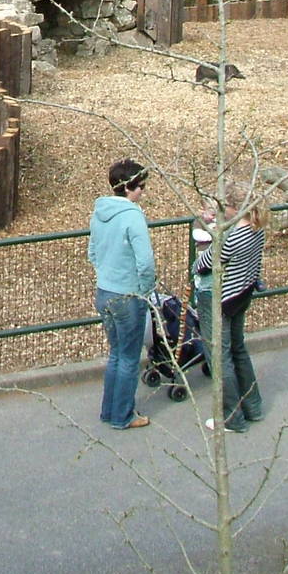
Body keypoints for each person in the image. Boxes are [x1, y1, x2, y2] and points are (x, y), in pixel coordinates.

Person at [87, 158, 157, 430]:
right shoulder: (133, 216)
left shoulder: (99, 212)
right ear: (129, 187)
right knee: (129, 357)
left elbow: (92, 251)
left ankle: (110, 410)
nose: (143, 192)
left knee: (116, 353)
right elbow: (146, 262)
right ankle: (123, 415)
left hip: (104, 292)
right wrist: (145, 289)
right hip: (128, 295)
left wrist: (106, 272)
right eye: (141, 186)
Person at [194, 198, 267, 433]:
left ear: (236, 208)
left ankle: (231, 418)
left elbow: (204, 263)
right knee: (238, 349)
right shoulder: (257, 229)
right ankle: (253, 406)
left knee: (219, 356)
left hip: (219, 298)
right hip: (241, 294)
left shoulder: (231, 237)